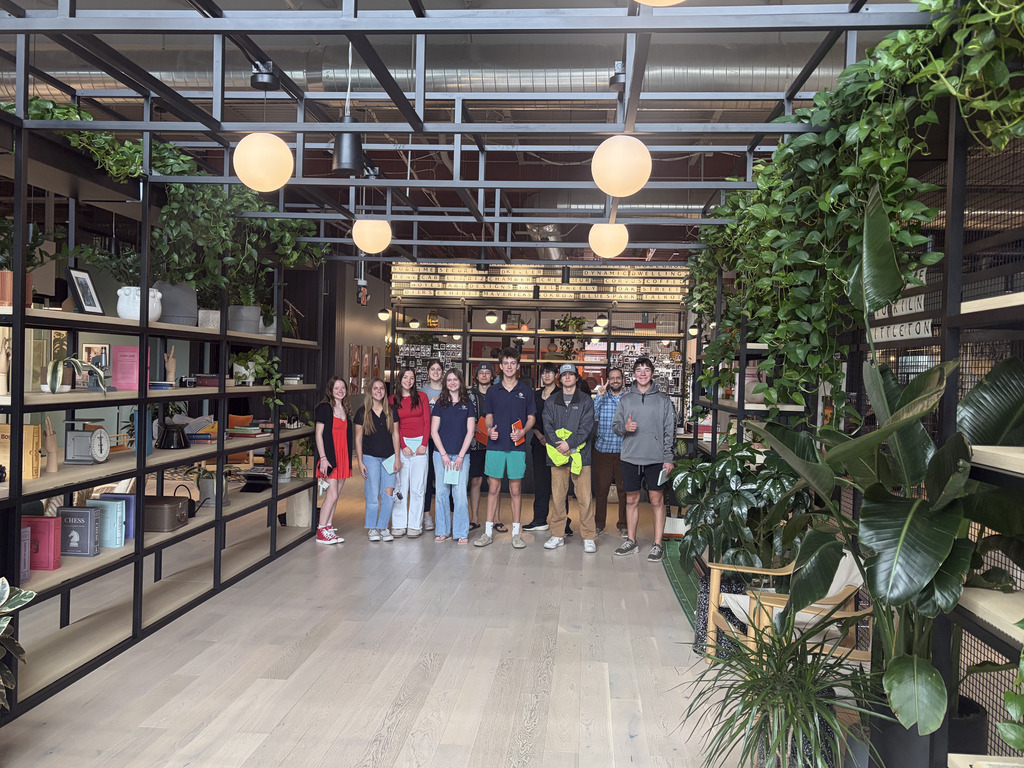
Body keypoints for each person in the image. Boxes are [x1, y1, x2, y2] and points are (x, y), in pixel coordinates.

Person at [611, 357, 676, 562]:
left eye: (646, 370)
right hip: (630, 457)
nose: (642, 373)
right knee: (631, 499)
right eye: (639, 370)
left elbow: (669, 431)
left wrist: (668, 458)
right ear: (634, 374)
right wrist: (625, 428)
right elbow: (616, 426)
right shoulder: (625, 399)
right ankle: (631, 540)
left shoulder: (663, 401)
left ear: (652, 374)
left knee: (657, 501)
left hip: (656, 458)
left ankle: (657, 545)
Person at [475, 347, 536, 549]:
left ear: (517, 366)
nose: (509, 367)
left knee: (515, 489)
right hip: (495, 446)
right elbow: (489, 415)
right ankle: (487, 533)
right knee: (493, 489)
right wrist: (489, 428)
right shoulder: (493, 391)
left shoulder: (526, 391)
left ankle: (516, 535)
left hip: (517, 447)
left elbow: (531, 418)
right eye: (506, 363)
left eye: (513, 363)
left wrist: (522, 432)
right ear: (500, 367)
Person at [542, 363, 597, 553]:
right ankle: (557, 535)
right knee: (557, 497)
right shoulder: (551, 401)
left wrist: (570, 444)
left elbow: (587, 428)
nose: (567, 378)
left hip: (581, 456)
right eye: (564, 375)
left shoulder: (585, 401)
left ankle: (589, 536)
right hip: (557, 456)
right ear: (560, 378)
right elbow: (547, 426)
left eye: (570, 375)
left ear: (576, 378)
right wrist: (561, 444)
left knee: (585, 498)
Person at [354, 378, 403, 542]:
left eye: (382, 388)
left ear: (385, 391)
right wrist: (360, 462)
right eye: (375, 388)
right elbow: (358, 439)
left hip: (389, 458)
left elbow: (396, 435)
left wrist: (397, 458)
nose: (379, 391)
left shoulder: (391, 411)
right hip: (370, 458)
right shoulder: (362, 412)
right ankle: (372, 528)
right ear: (370, 391)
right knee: (372, 494)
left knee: (388, 494)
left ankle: (383, 527)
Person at [430, 368, 476, 544]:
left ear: (460, 382)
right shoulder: (440, 404)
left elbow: (470, 431)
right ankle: (442, 530)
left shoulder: (468, 404)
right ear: (445, 383)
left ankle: (460, 532)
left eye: (455, 379)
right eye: (449, 380)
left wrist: (460, 457)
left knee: (460, 495)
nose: (452, 383)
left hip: (461, 457)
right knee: (441, 493)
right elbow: (434, 432)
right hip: (440, 456)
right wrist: (443, 455)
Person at [391, 367, 430, 537]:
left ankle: (415, 524)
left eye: (411, 377)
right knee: (400, 487)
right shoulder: (392, 400)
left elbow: (427, 422)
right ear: (400, 379)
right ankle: (399, 524)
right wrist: (402, 446)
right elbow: (394, 426)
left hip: (421, 445)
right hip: (402, 445)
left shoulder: (422, 397)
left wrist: (424, 444)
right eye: (405, 377)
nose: (408, 380)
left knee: (418, 487)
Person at [313, 376, 353, 544]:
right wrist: (323, 458)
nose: (340, 391)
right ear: (330, 390)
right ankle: (321, 530)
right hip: (330, 457)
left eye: (342, 388)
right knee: (332, 494)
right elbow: (319, 435)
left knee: (336, 495)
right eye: (336, 388)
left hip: (343, 456)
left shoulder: (345, 408)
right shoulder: (324, 408)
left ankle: (328, 526)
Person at [593, 367, 628, 537]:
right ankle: (598, 524)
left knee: (624, 491)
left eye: (618, 378)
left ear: (623, 379)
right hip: (603, 450)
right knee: (601, 490)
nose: (615, 381)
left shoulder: (630, 398)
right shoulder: (602, 397)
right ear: (608, 380)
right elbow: (591, 416)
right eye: (612, 378)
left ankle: (624, 525)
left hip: (625, 451)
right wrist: (599, 397)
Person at [523, 362, 558, 532]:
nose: (547, 375)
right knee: (541, 483)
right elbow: (530, 416)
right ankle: (539, 520)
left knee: (559, 484)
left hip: (558, 445)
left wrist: (551, 437)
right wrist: (538, 434)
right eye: (544, 373)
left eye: (550, 372)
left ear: (555, 375)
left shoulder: (560, 394)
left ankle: (562, 522)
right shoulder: (535, 395)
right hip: (539, 443)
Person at [467, 362, 494, 532]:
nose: (484, 375)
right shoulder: (468, 394)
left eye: (487, 372)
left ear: (492, 375)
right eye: (481, 373)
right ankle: (474, 518)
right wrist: (471, 425)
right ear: (476, 376)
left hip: (494, 442)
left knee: (494, 481)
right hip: (474, 442)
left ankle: (496, 519)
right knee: (475, 480)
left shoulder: (498, 392)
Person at [420, 359, 445, 532]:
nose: (435, 372)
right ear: (428, 372)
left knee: (444, 478)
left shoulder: (448, 390)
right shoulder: (422, 392)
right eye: (432, 369)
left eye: (438, 369)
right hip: (427, 441)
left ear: (442, 372)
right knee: (427, 478)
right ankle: (427, 515)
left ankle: (444, 515)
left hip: (445, 441)